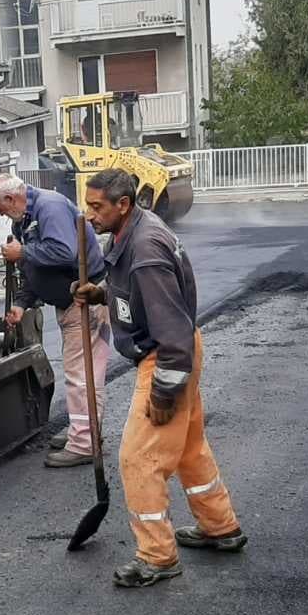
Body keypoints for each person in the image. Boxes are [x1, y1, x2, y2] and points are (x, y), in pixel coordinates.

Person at [75, 168, 246, 588]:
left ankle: (157, 556)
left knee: (140, 458)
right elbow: (136, 294)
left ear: (123, 204)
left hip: (167, 355)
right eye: (87, 204)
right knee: (188, 448)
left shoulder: (146, 248)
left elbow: (170, 328)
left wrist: (166, 388)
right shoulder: (130, 233)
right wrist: (102, 293)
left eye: (97, 207)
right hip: (178, 346)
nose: (89, 214)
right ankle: (220, 526)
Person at [0, 174, 110, 468]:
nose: (1, 215)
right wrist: (21, 303)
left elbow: (65, 252)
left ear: (10, 199)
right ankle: (84, 432)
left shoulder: (49, 208)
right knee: (79, 372)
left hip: (84, 300)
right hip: (70, 302)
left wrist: (22, 252)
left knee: (81, 375)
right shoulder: (25, 218)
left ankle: (84, 443)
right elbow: (35, 267)